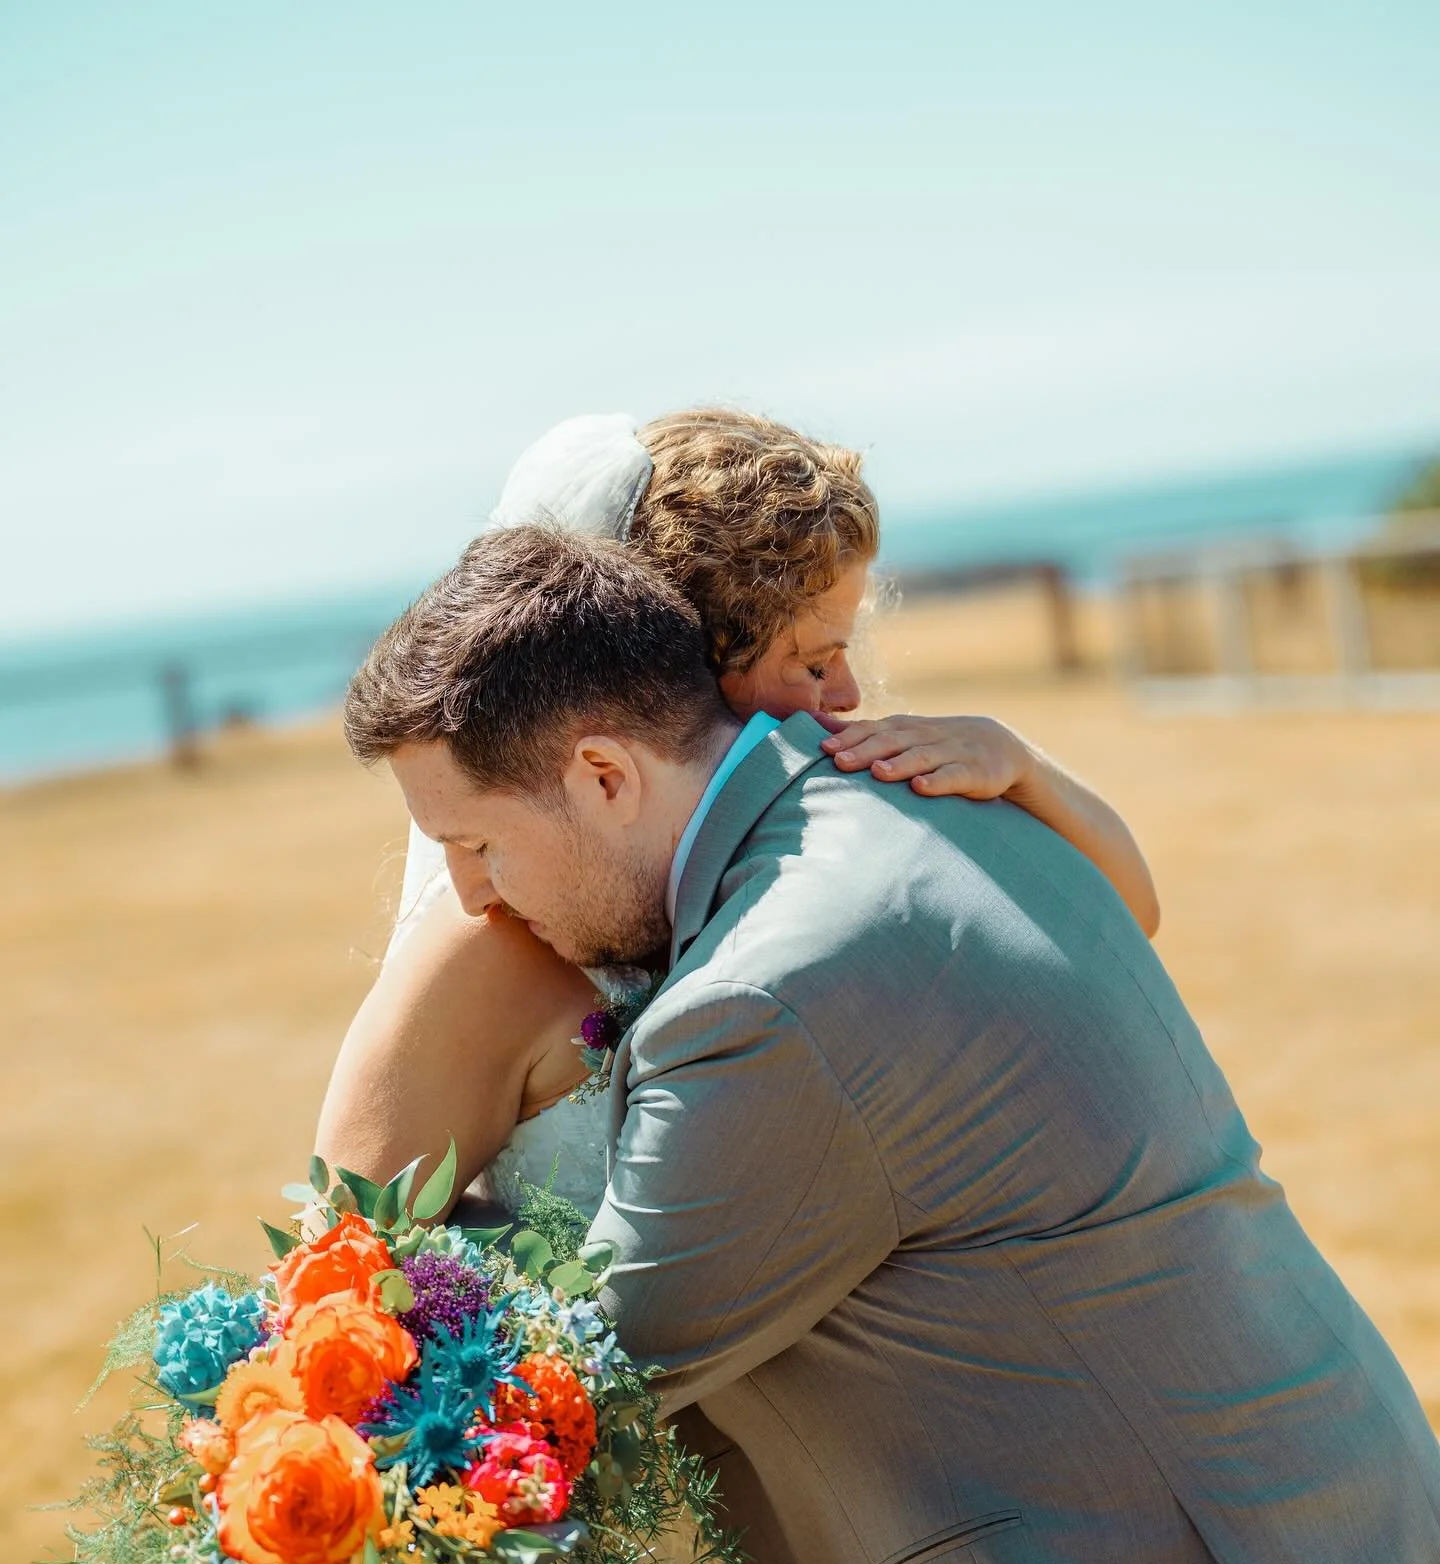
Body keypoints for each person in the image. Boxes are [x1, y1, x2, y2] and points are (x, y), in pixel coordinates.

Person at [346, 521, 1440, 1564]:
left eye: (475, 843)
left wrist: (346, 1326)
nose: (473, 899)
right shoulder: (944, 796)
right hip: (1361, 1562)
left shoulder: (764, 996)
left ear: (604, 774)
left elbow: (592, 1375)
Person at [316, 411, 1158, 1216]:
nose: (850, 694)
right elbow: (345, 1259)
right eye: (814, 660)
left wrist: (1021, 765)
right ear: (687, 672)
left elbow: (1124, 918)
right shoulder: (496, 940)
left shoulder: (829, 829)